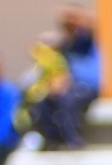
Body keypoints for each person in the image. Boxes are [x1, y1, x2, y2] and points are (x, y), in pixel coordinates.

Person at [29, 8, 98, 150]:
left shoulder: (86, 41)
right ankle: (52, 140)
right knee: (44, 102)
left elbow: (92, 26)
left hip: (88, 85)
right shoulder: (66, 45)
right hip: (70, 85)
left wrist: (76, 16)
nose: (69, 25)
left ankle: (73, 140)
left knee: (69, 101)